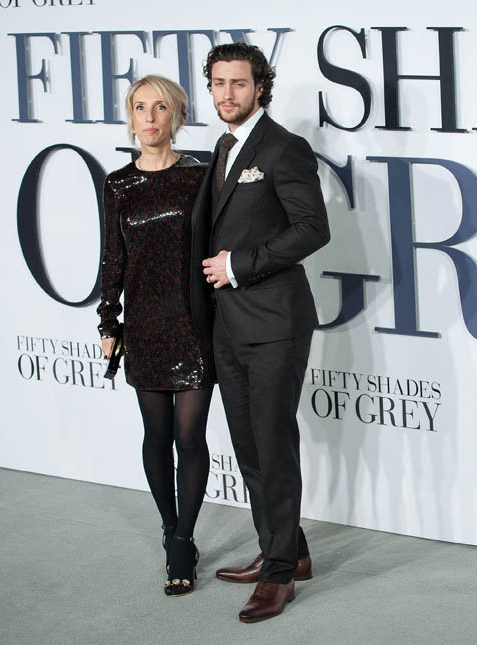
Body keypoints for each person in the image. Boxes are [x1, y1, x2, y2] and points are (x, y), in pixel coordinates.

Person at [189, 42, 330, 623]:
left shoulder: (283, 148)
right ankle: (289, 550)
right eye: (219, 83)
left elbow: (312, 228)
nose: (227, 94)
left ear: (260, 88)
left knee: (272, 446)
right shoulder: (223, 148)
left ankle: (278, 576)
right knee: (249, 446)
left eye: (239, 83)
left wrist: (240, 265)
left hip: (274, 323)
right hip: (228, 325)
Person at [97, 74, 216, 597]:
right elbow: (113, 258)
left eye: (160, 107)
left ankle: (183, 540)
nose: (149, 117)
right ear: (131, 117)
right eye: (140, 107)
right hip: (144, 326)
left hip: (193, 323)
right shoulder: (118, 185)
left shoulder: (200, 177)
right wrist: (109, 321)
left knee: (190, 437)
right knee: (157, 436)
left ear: (178, 117)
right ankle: (170, 529)